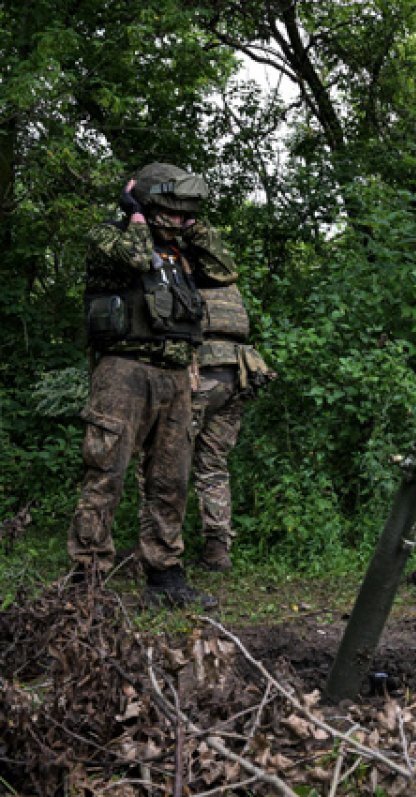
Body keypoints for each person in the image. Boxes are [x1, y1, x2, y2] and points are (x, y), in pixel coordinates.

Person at [67, 162, 237, 608]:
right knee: (107, 472)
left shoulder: (182, 253)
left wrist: (193, 229)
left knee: (170, 480)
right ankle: (87, 575)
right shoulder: (109, 237)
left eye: (186, 214)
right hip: (124, 373)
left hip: (177, 376)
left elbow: (224, 270)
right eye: (173, 212)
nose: (180, 221)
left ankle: (165, 573)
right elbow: (137, 259)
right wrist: (135, 217)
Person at [186, 281, 274, 572]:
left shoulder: (179, 277)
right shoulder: (228, 284)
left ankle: (158, 550)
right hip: (236, 374)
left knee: (163, 460)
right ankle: (217, 550)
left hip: (200, 375)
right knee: (213, 466)